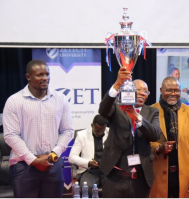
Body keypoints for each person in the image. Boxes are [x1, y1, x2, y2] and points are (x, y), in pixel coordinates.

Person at [2, 60, 74, 198]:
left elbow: (68, 131)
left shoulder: (61, 99)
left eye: (47, 74)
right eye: (39, 75)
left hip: (53, 164)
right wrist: (34, 160)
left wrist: (53, 155)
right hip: (24, 167)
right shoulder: (15, 101)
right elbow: (11, 135)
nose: (45, 78)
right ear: (28, 77)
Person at [98, 67, 161, 198]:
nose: (143, 93)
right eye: (138, 90)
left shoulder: (152, 112)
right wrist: (117, 84)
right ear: (129, 90)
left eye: (146, 91)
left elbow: (155, 135)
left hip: (140, 179)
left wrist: (135, 116)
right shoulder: (117, 107)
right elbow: (103, 111)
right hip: (114, 177)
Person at [149, 76, 189, 198]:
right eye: (169, 90)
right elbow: (145, 142)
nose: (173, 94)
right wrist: (159, 148)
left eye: (177, 90)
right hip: (157, 175)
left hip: (185, 176)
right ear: (161, 90)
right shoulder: (151, 111)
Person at [68, 114, 109, 198]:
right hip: (90, 171)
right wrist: (88, 163)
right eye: (97, 130)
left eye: (102, 131)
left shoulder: (111, 133)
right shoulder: (82, 135)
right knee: (87, 188)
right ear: (92, 125)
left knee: (115, 187)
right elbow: (71, 157)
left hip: (108, 171)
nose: (99, 133)